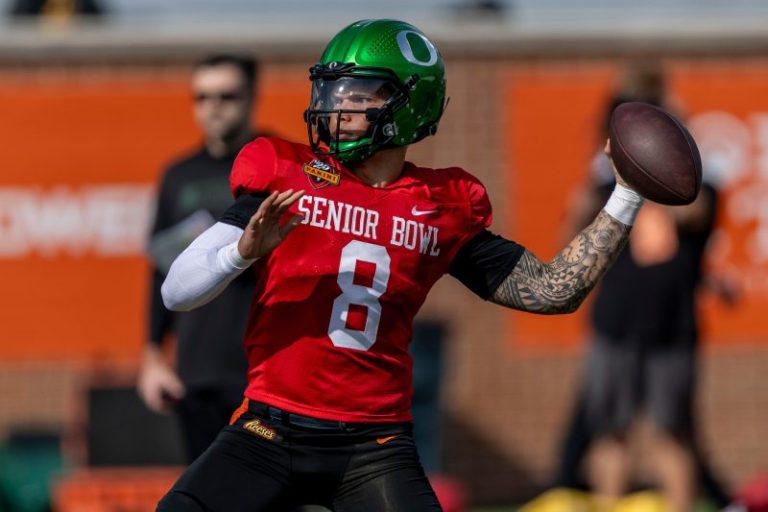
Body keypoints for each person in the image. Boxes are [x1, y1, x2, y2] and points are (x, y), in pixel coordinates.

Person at [155, 19, 646, 511]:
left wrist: (626, 195)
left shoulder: (442, 205)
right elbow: (177, 291)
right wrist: (240, 253)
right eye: (333, 89)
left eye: (359, 93)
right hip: (268, 427)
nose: (338, 106)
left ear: (411, 104)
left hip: (373, 446)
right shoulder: (287, 175)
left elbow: (553, 290)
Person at [556, 73, 725, 512]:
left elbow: (692, 212)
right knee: (611, 432)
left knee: (674, 434)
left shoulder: (696, 190)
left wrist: (665, 141)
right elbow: (570, 233)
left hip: (672, 329)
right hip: (615, 325)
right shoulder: (605, 192)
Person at [137, 53, 265, 462]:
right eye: (202, 96)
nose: (213, 107)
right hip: (196, 373)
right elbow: (161, 269)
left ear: (251, 97)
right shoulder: (178, 176)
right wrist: (154, 355)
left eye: (227, 95)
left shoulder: (277, 168)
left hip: (262, 372)